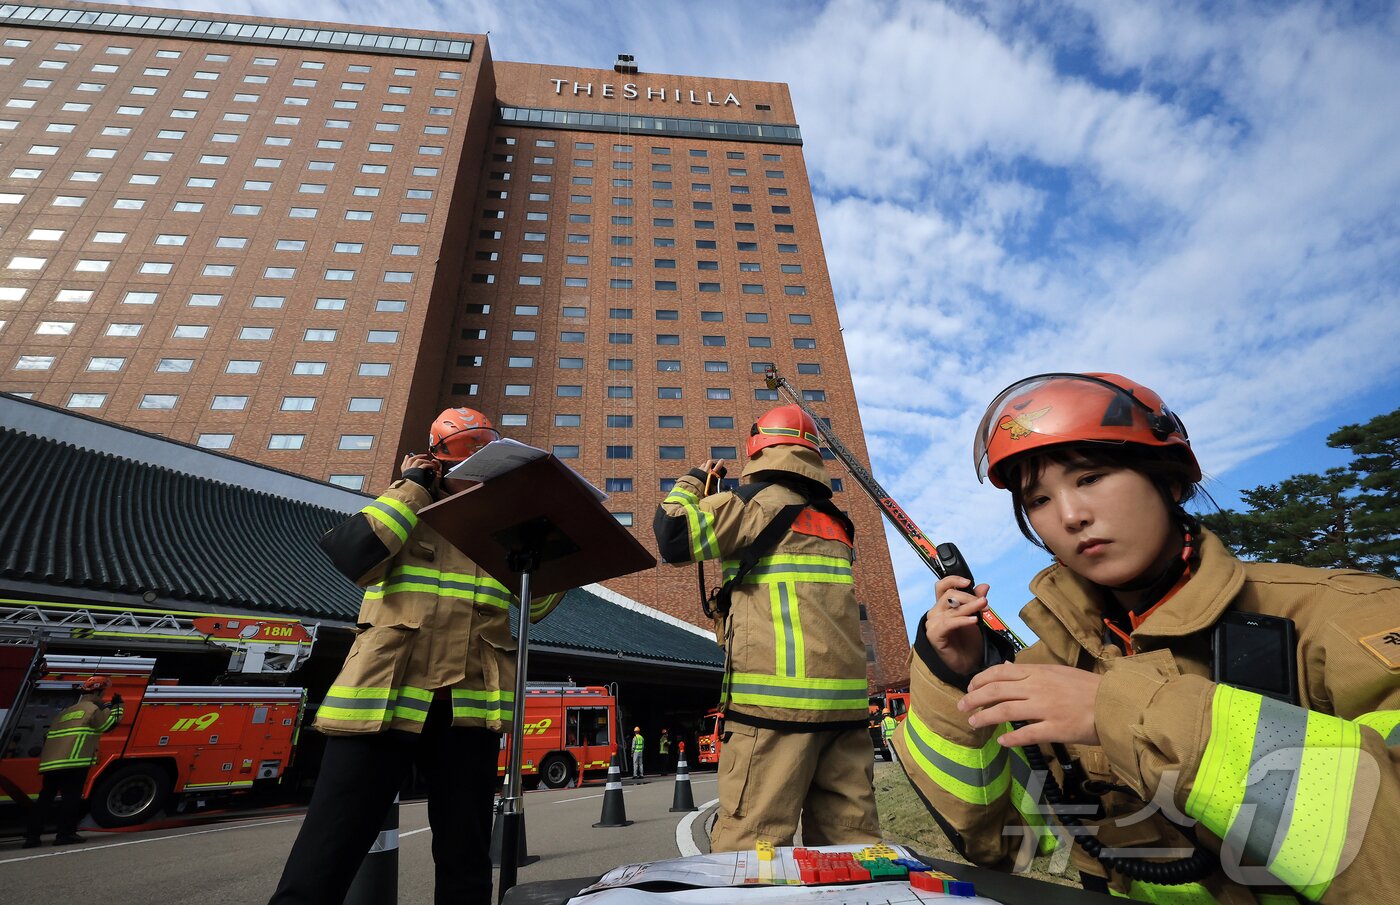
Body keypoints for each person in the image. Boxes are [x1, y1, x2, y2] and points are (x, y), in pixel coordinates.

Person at [893, 372, 1400, 902]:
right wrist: (950, 673)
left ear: (1172, 479)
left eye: (1091, 477)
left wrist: (1123, 710)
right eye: (1038, 499)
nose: (1070, 516)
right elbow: (1001, 844)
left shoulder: (1348, 617)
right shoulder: (1049, 668)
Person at [268, 408, 564, 905]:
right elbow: (352, 554)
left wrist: (539, 538)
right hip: (381, 702)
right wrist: (410, 487)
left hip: (467, 708)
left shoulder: (500, 527)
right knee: (326, 855)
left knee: (465, 862)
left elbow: (540, 603)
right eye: (463, 456)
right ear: (437, 460)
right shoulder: (405, 507)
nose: (473, 469)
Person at [655, 404, 880, 851]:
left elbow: (672, 534)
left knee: (750, 855)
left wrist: (693, 483)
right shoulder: (837, 523)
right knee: (851, 852)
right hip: (846, 717)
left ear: (758, 448)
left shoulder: (748, 505)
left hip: (771, 716)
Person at [23, 676, 124, 847]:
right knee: (70, 799)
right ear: (98, 692)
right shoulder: (92, 709)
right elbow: (107, 726)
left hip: (51, 763)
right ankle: (65, 834)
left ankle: (32, 837)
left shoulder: (66, 711)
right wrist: (117, 708)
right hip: (74, 761)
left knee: (44, 800)